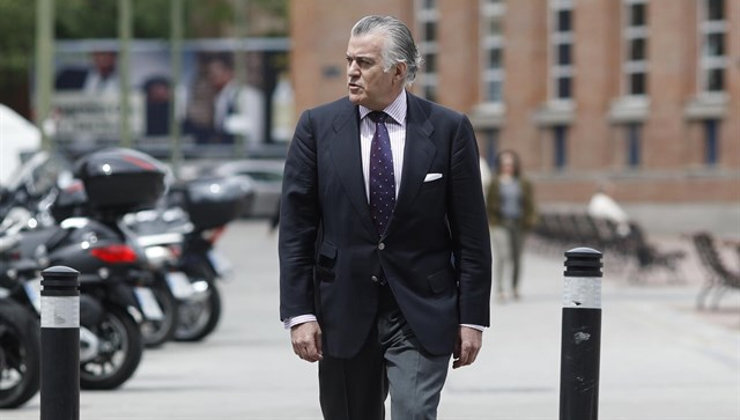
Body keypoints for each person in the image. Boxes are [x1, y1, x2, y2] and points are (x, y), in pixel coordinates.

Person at [278, 15, 492, 420]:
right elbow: (296, 231)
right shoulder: (316, 128)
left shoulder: (448, 129)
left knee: (414, 412)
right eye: (349, 61)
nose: (352, 72)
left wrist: (472, 318)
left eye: (364, 63)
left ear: (398, 71)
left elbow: (472, 235)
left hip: (421, 308)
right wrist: (300, 313)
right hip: (343, 309)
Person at [486, 150, 536, 302]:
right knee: (503, 255)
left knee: (516, 257)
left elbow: (530, 204)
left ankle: (514, 287)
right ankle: (500, 289)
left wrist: (530, 221)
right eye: (505, 164)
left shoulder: (523, 182)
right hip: (500, 223)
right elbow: (488, 203)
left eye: (510, 164)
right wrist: (491, 221)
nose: (508, 167)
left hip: (519, 223)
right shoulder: (494, 183)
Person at [205, 55, 264, 144]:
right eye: (210, 74)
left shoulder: (248, 96)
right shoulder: (220, 98)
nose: (212, 78)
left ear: (228, 72)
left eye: (216, 74)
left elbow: (254, 133)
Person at [55, 51, 119, 94]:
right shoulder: (70, 76)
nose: (105, 57)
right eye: (102, 53)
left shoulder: (121, 80)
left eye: (110, 53)